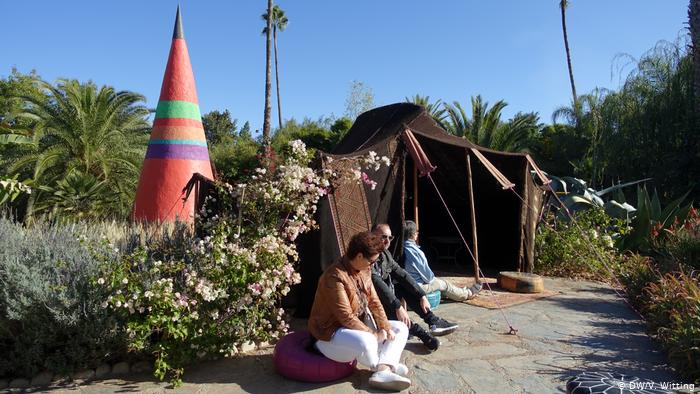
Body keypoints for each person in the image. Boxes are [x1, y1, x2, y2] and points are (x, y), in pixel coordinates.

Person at [308, 231, 411, 391]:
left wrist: (385, 327)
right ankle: (386, 365)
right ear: (359, 256)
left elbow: (374, 302)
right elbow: (346, 317)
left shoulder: (365, 270)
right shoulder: (334, 277)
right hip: (328, 334)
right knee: (368, 340)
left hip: (353, 329)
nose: (373, 266)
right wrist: (376, 335)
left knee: (400, 328)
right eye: (371, 262)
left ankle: (383, 368)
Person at [371, 224, 459, 351]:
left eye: (390, 238)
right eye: (383, 237)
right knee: (395, 309)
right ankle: (420, 333)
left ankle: (432, 320)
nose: (387, 241)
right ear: (372, 237)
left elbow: (401, 274)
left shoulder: (385, 254)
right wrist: (398, 306)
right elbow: (377, 284)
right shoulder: (366, 256)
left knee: (402, 285)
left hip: (386, 298)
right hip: (373, 300)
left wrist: (421, 294)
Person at [402, 220, 482, 302]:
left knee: (439, 284)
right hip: (415, 288)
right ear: (414, 234)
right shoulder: (415, 252)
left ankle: (457, 292)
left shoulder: (398, 249)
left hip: (404, 286)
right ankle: (467, 294)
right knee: (444, 284)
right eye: (417, 232)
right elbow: (429, 278)